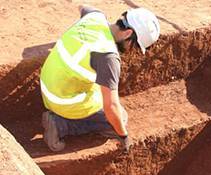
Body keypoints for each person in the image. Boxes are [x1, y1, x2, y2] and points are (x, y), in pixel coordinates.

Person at [40, 5, 160, 152]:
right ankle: (61, 125)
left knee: (101, 86)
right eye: (134, 45)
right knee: (119, 118)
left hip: (48, 83)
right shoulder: (108, 57)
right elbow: (111, 107)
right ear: (128, 33)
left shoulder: (95, 16)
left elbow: (82, 7)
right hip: (62, 100)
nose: (131, 51)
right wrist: (123, 136)